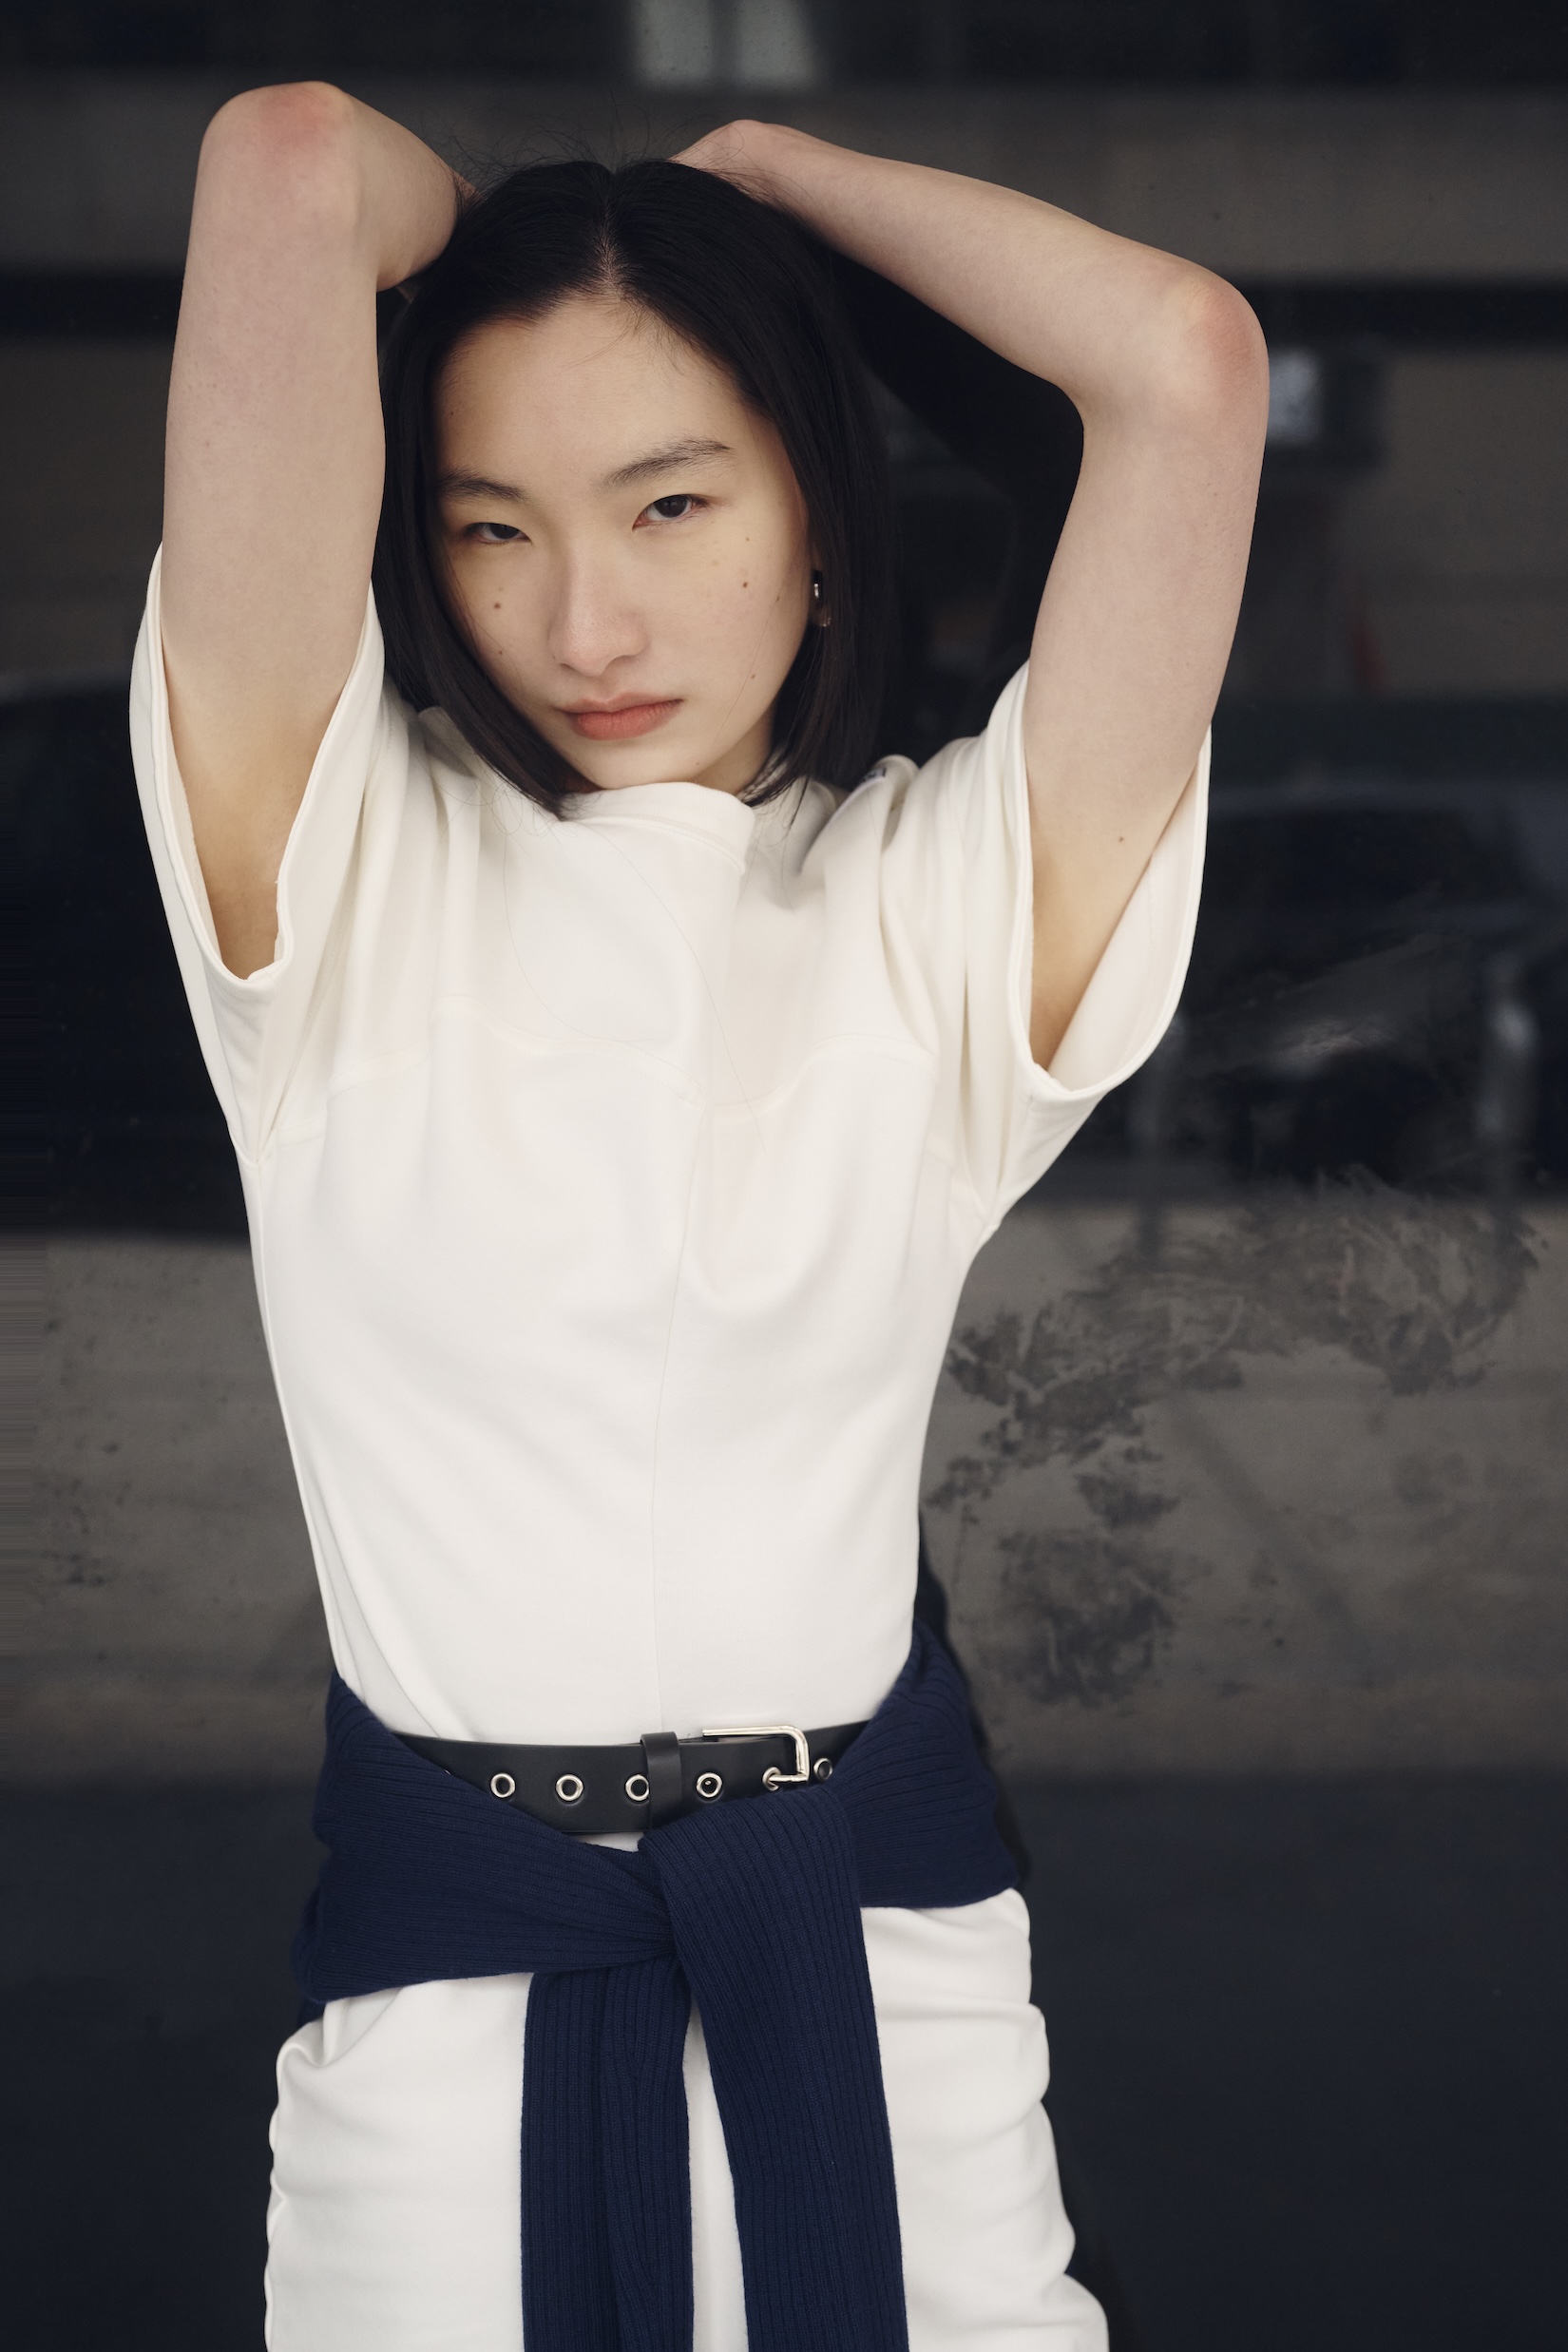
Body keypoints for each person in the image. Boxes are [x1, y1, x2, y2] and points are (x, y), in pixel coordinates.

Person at [131, 85, 1267, 2352]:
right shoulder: (329, 885)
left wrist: (771, 193)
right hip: (445, 2036)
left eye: (671, 499)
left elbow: (1180, 366)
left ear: (815, 517)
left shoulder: (940, 911)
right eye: (491, 525)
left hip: (890, 1999)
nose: (588, 616)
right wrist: (519, 233)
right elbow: (286, 169)